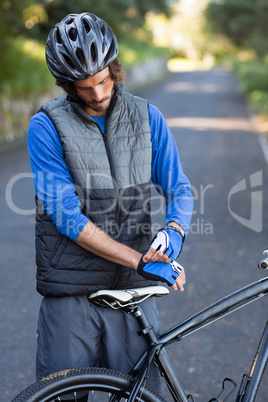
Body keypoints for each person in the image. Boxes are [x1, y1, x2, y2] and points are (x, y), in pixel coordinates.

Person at [28, 12, 193, 400]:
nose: (98, 95)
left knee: (142, 395)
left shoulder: (148, 117)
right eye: (85, 88)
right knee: (61, 397)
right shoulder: (47, 126)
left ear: (114, 69)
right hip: (71, 293)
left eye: (103, 80)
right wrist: (139, 260)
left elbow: (180, 188)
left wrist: (174, 232)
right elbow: (68, 217)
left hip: (134, 295)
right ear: (67, 86)